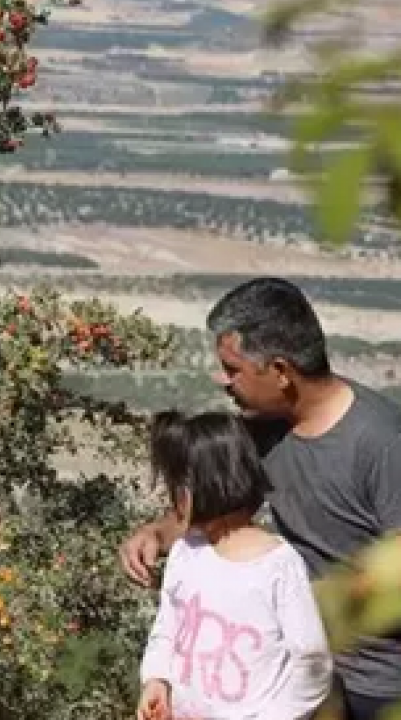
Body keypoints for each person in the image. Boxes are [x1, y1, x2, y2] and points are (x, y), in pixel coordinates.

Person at [120, 277, 401, 720]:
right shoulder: (262, 427)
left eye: (233, 370)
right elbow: (220, 505)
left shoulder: (383, 444)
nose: (222, 382)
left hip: (376, 684)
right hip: (286, 677)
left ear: (281, 372)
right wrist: (159, 532)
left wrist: (315, 599)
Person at [136, 410, 332, 720]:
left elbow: (312, 662)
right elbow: (168, 628)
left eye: (175, 485)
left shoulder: (277, 566)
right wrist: (157, 680)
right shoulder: (185, 552)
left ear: (193, 491)